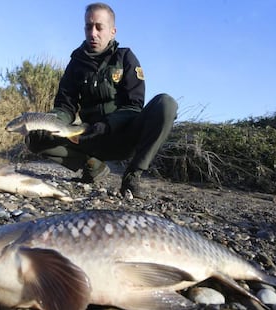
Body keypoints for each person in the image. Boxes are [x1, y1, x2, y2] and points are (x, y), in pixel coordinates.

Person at [25, 2, 178, 198]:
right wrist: (51, 121)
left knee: (166, 103)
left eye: (99, 27)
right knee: (35, 138)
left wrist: (105, 125)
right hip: (87, 137)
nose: (93, 33)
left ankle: (132, 176)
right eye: (88, 27)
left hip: (124, 137)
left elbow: (134, 106)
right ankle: (92, 166)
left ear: (112, 31)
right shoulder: (76, 64)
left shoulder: (126, 58)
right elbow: (64, 106)